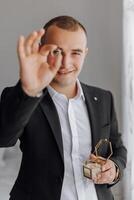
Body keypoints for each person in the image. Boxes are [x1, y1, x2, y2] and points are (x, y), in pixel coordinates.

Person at [0, 15, 127, 200]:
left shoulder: (104, 98)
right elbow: (4, 137)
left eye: (75, 52)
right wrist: (28, 91)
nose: (65, 63)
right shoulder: (24, 96)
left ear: (85, 53)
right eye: (57, 51)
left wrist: (114, 169)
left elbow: (118, 148)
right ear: (42, 50)